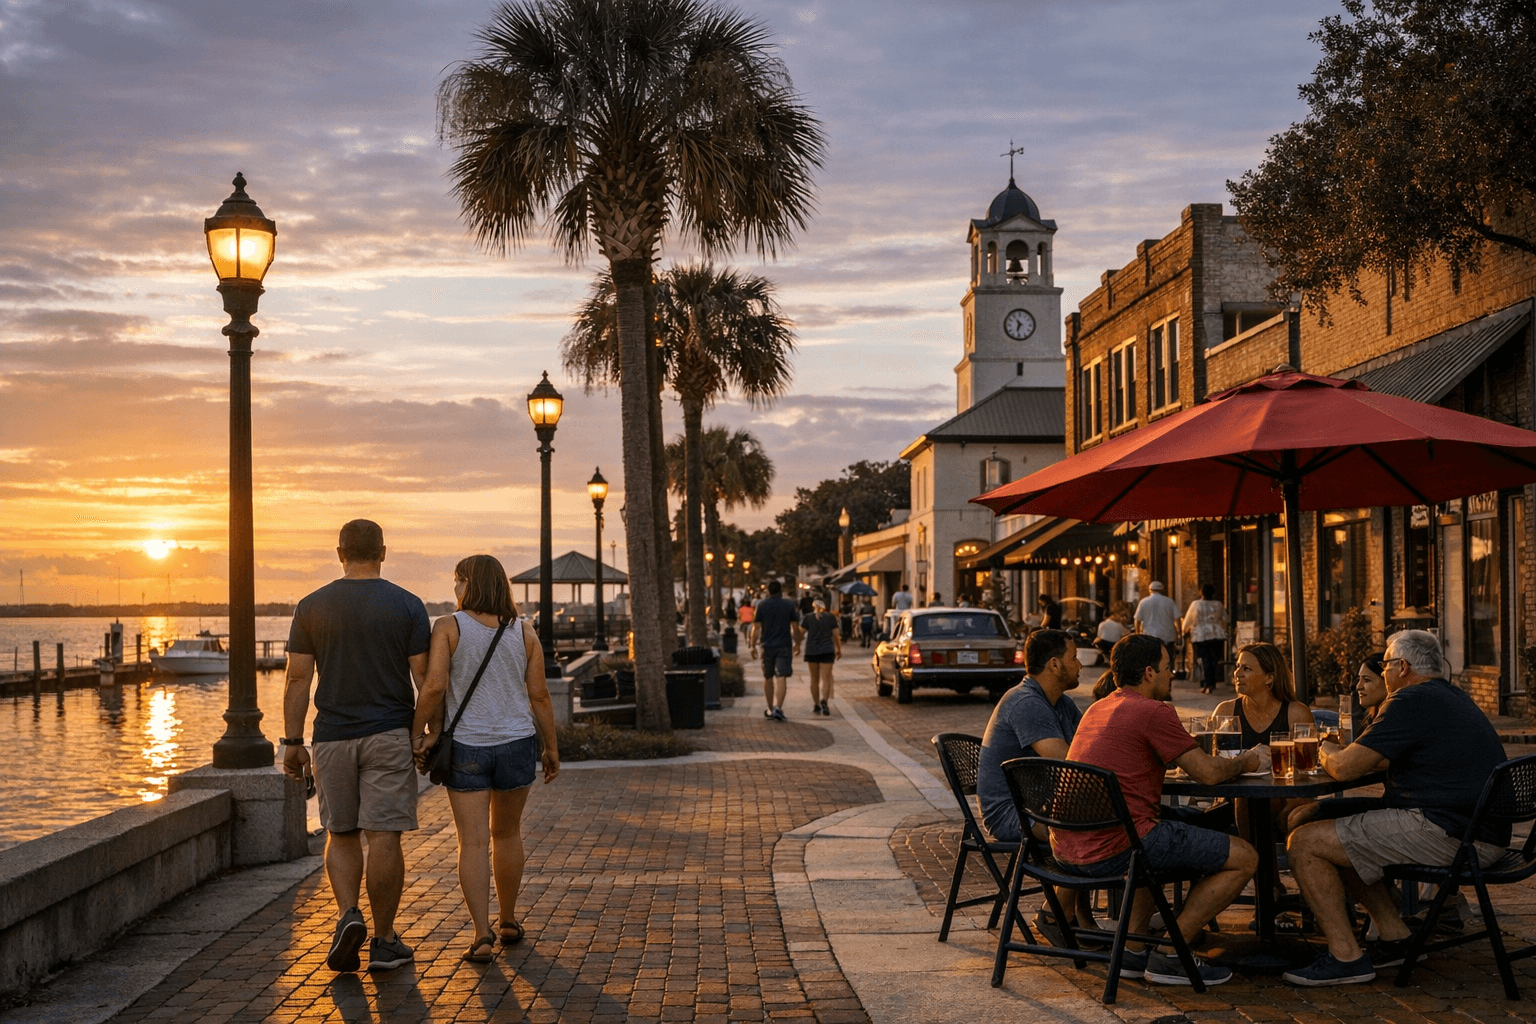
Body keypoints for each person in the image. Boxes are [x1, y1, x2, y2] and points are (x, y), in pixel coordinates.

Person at [1283, 629, 1510, 987]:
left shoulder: (1409, 699)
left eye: (1386, 664)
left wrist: (1322, 750)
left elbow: (1344, 768)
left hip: (1453, 833)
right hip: (1476, 829)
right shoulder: (1448, 695)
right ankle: (1394, 936)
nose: (1384, 671)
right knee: (1324, 819)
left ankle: (1346, 957)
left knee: (1305, 842)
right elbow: (1393, 758)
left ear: (1402, 667)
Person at [1054, 634, 1262, 986]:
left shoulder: (1099, 706)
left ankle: (1133, 952)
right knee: (1245, 856)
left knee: (1158, 835)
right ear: (1149, 673)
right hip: (1117, 846)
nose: (1173, 675)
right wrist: (1247, 760)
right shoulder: (1152, 711)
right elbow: (1208, 773)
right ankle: (1170, 953)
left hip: (1067, 848)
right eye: (1168, 669)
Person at [281, 520, 431, 974]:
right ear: (383, 551)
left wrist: (292, 742)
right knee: (384, 835)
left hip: (331, 737)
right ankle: (384, 942)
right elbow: (424, 680)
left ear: (339, 552)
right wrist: (425, 732)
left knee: (340, 832)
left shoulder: (312, 606)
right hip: (389, 734)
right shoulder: (408, 605)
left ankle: (348, 915)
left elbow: (297, 679)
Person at [410, 555, 560, 963]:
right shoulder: (524, 632)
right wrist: (551, 748)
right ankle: (509, 919)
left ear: (466, 584)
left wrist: (418, 733)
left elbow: (435, 687)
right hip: (517, 744)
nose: (454, 588)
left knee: (473, 841)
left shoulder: (448, 627)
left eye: (456, 580)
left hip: (469, 748)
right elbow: (540, 696)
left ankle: (480, 934)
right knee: (507, 835)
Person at [977, 629, 1099, 944]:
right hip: (1012, 812)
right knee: (1100, 828)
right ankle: (1054, 914)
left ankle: (1078, 918)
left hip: (1045, 804)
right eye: (1074, 658)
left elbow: (1092, 747)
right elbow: (1066, 761)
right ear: (1055, 664)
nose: (1080, 666)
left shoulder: (1062, 703)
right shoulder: (1026, 702)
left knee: (1109, 816)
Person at [1211, 642, 1313, 900]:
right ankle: (1269, 890)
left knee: (1293, 813)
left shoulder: (1295, 712)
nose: (1237, 674)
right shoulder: (1225, 712)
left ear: (1269, 677)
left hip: (1287, 800)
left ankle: (1281, 893)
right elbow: (1215, 764)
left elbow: (1309, 772)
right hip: (1235, 801)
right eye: (1237, 667)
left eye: (1246, 668)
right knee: (1246, 801)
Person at [750, 579, 801, 721]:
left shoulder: (762, 605)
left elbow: (756, 627)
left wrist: (752, 645)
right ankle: (778, 707)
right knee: (782, 676)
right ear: (780, 590)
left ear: (768, 591)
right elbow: (795, 626)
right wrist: (797, 643)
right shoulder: (788, 604)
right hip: (784, 645)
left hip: (767, 646)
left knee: (768, 676)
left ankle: (770, 708)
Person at [1182, 584, 1227, 694]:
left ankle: (1207, 684)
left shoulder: (1196, 604)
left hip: (1201, 635)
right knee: (1214, 660)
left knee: (1205, 660)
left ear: (1201, 592)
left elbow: (1189, 619)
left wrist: (1184, 630)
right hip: (1217, 634)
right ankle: (1212, 683)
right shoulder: (1218, 604)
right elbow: (1225, 619)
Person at [801, 598, 841, 715]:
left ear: (813, 606)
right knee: (826, 679)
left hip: (811, 651)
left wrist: (797, 645)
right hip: (827, 650)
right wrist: (839, 649)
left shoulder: (807, 618)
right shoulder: (830, 617)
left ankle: (816, 704)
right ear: (824, 607)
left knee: (814, 679)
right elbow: (836, 635)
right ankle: (825, 701)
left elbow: (800, 633)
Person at [1133, 581, 1180, 673]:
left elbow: (1137, 620)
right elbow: (1177, 618)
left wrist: (1137, 633)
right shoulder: (1169, 601)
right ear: (1162, 590)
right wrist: (1179, 634)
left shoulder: (1144, 602)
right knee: (1169, 657)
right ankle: (1168, 674)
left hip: (1150, 636)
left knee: (1151, 659)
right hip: (1167, 635)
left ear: (1150, 590)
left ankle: (1154, 676)